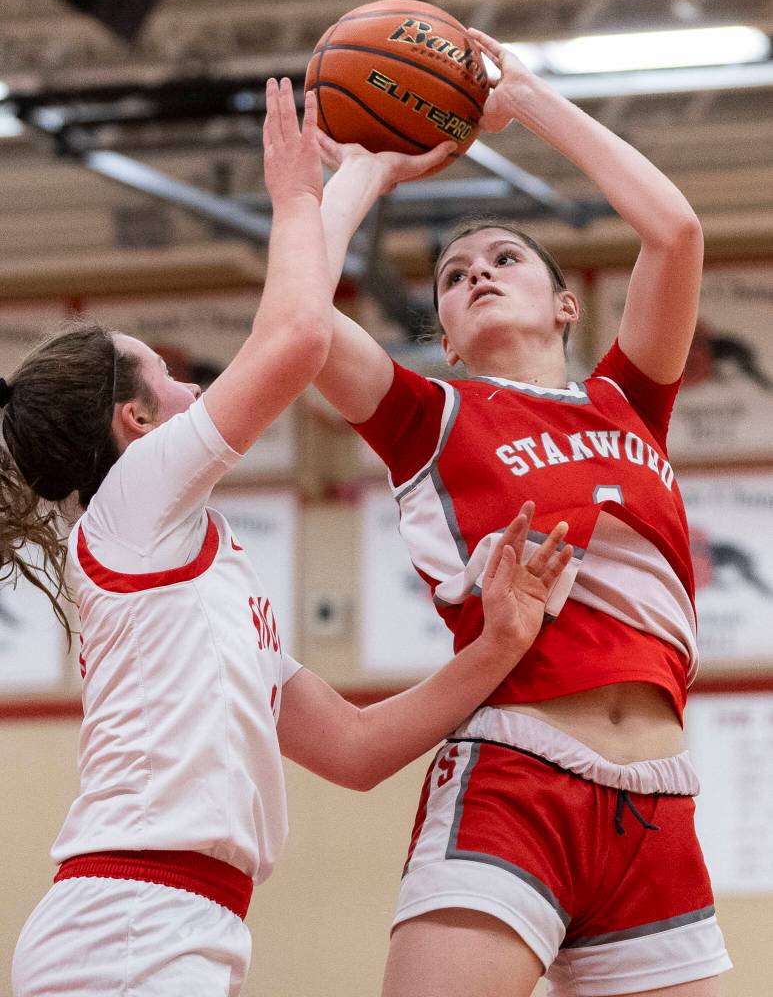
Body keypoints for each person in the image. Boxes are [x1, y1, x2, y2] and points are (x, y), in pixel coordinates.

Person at [5, 78, 571, 997]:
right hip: (126, 926)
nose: (199, 391)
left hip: (183, 921)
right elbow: (296, 333)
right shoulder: (132, 504)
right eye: (173, 378)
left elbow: (353, 749)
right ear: (137, 421)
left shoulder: (193, 570)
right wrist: (304, 198)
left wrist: (500, 645)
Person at [312, 28, 732, 997]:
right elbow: (296, 319)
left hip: (656, 805)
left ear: (563, 306)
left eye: (503, 257)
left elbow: (673, 231)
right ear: (446, 336)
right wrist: (363, 170)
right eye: (452, 279)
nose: (477, 274)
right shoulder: (429, 416)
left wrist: (527, 98)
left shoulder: (628, 401)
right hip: (514, 775)